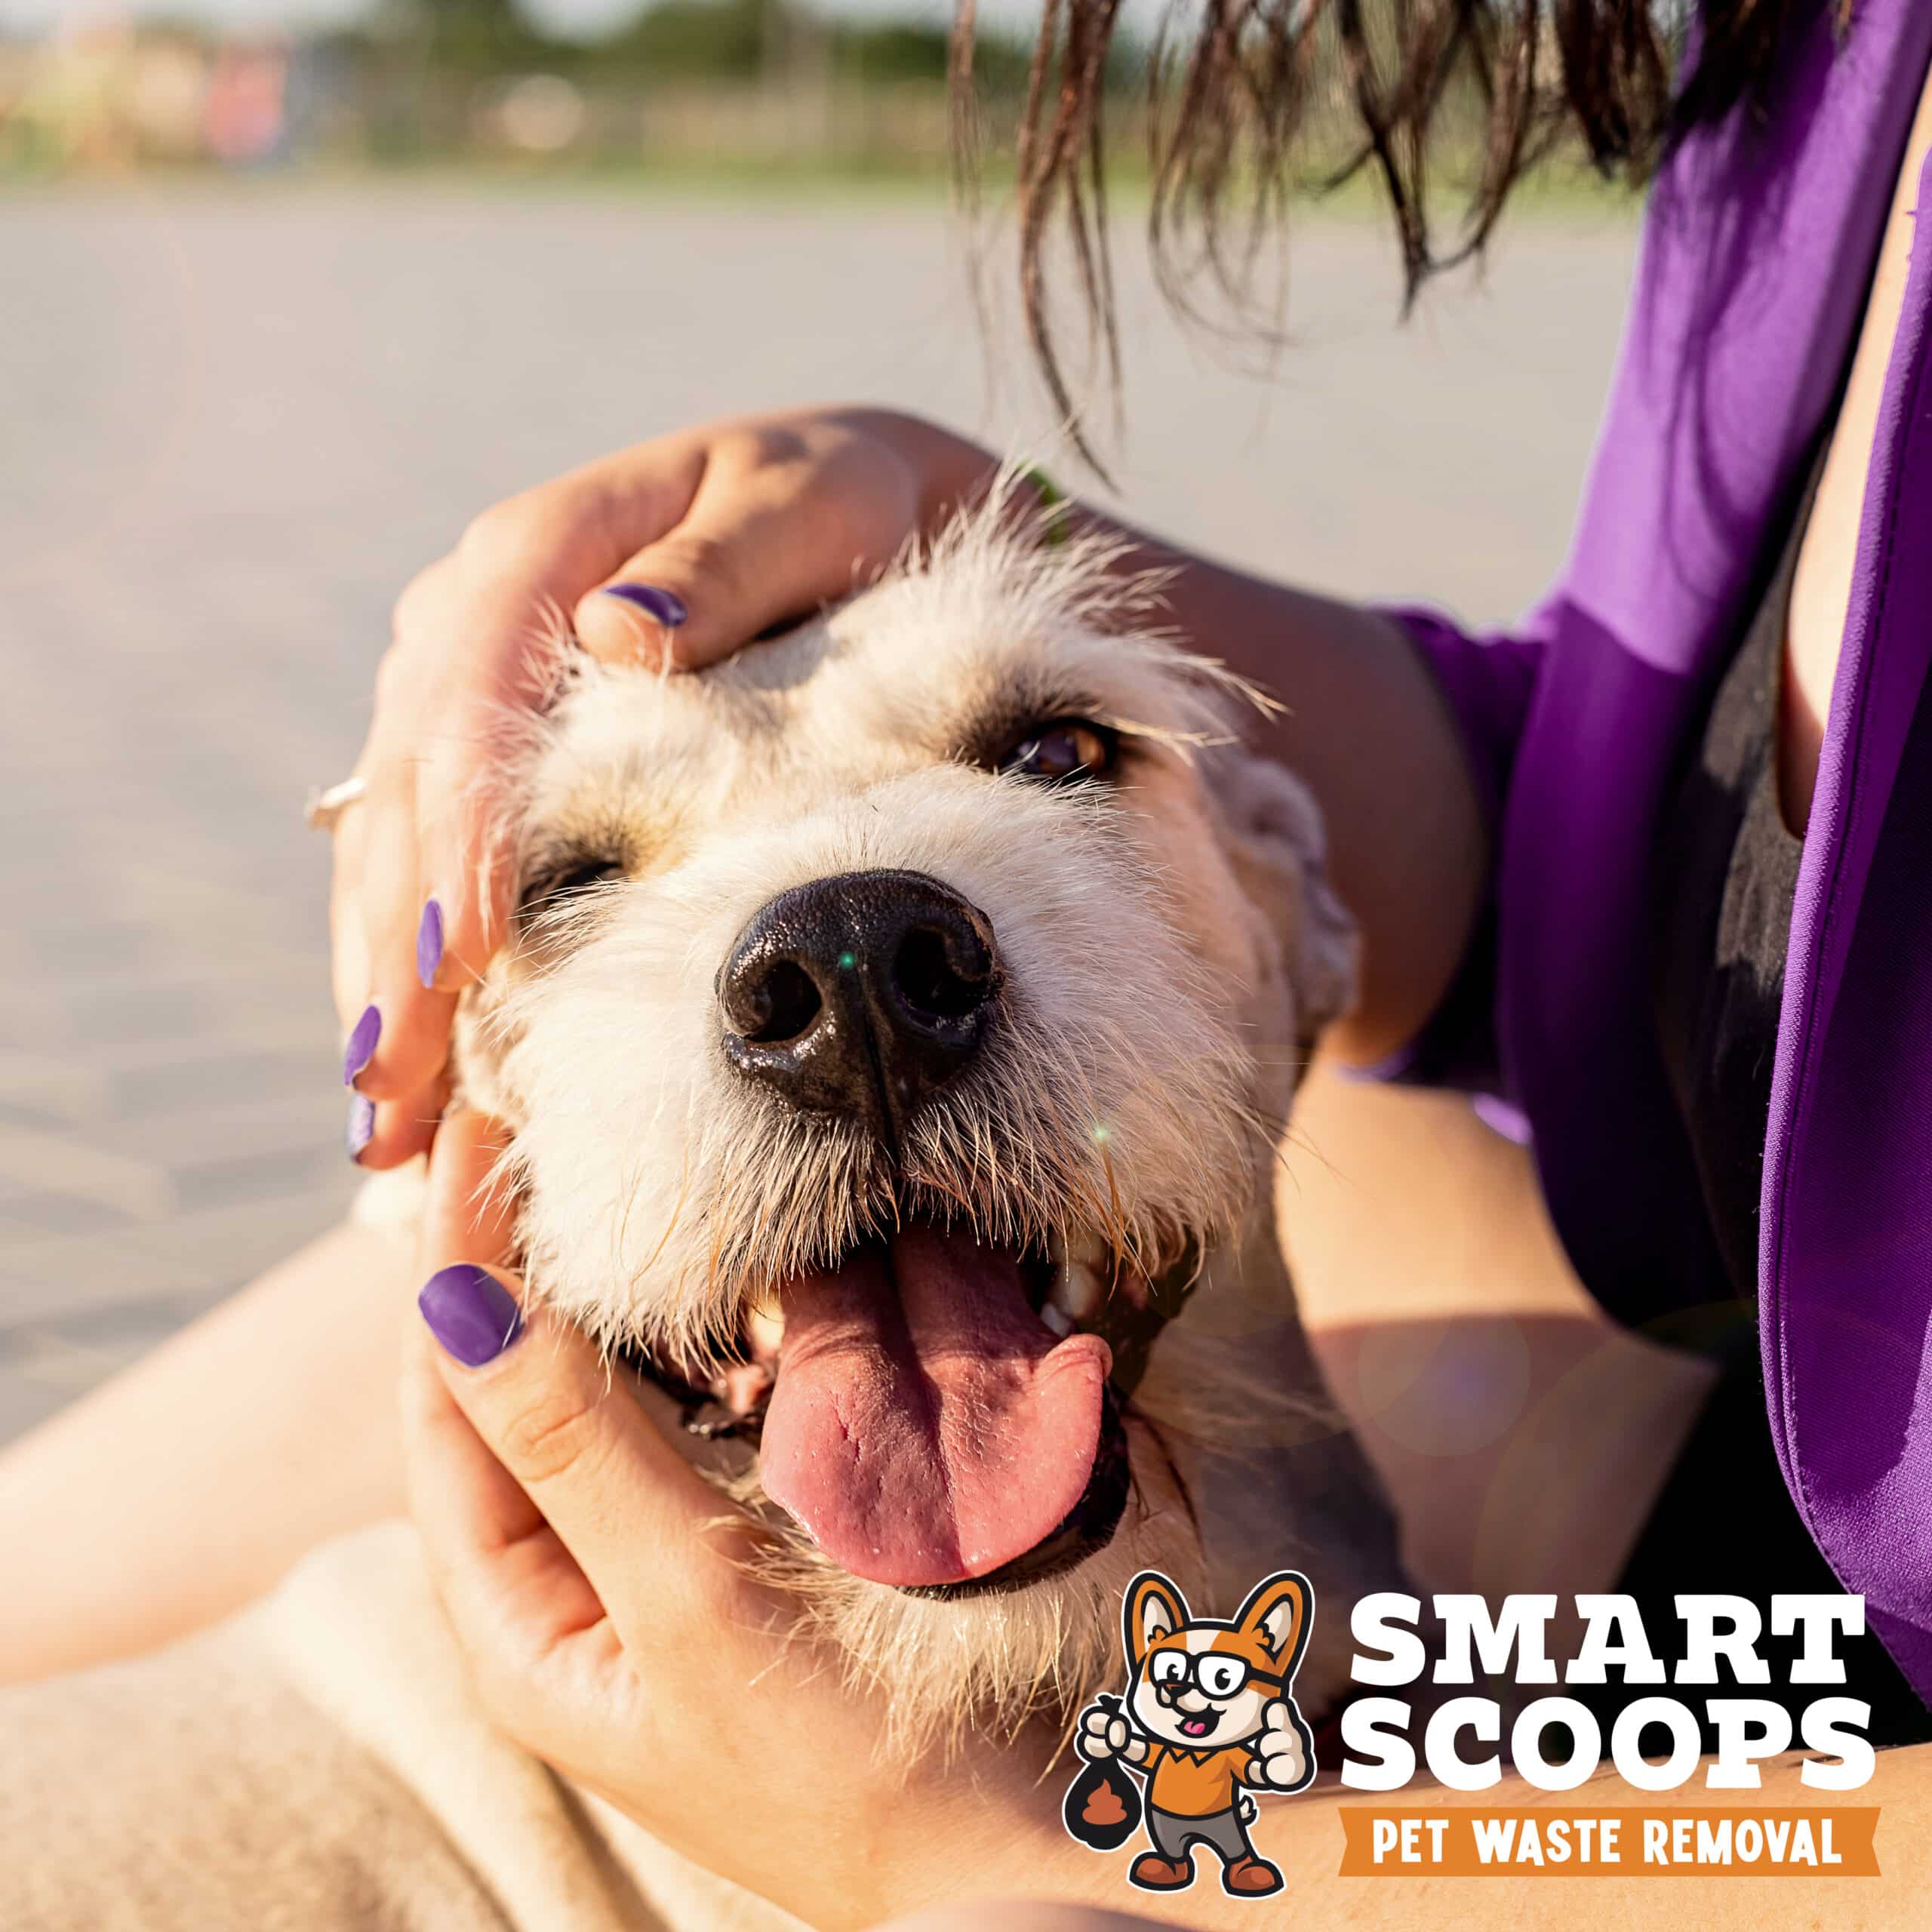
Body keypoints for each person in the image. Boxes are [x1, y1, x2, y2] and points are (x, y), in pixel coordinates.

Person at [5, 1, 1932, 1924]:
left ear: (1293, 921)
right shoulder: (1820, 67)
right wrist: (948, 492)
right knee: (430, 1314)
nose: (848, 940)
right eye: (580, 873)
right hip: (1696, 1502)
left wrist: (1099, 1869)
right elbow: (1737, 887)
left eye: (1048, 757)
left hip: (1799, 1753)